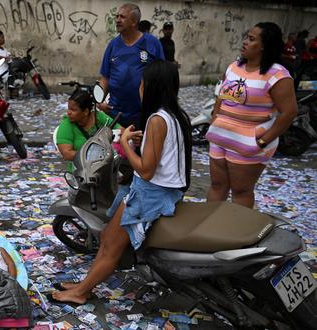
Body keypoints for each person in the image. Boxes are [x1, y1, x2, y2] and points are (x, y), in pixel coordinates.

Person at [52, 60, 192, 305]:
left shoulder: (157, 120)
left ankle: (81, 293)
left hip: (150, 192)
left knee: (110, 246)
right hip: (156, 189)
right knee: (106, 237)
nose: (138, 87)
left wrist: (126, 143)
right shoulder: (175, 115)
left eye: (141, 83)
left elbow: (147, 171)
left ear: (151, 86)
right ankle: (85, 284)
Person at [206, 22, 297, 208]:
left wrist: (262, 142)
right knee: (217, 185)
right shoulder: (233, 67)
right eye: (246, 37)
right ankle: (209, 228)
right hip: (220, 137)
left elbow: (289, 113)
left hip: (250, 142)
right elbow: (221, 96)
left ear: (264, 45)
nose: (245, 42)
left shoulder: (277, 75)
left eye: (252, 39)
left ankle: (238, 234)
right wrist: (215, 118)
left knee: (241, 191)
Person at [98, 3, 164, 128]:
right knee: (115, 147)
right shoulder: (113, 45)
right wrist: (99, 100)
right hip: (115, 114)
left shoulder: (152, 43)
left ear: (134, 22)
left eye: (122, 17)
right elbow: (105, 78)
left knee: (141, 147)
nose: (117, 20)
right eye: (116, 16)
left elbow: (163, 76)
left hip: (143, 114)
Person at [56, 89, 119, 172]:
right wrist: (94, 156)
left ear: (85, 111)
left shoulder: (99, 117)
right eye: (68, 109)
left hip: (103, 171)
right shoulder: (66, 124)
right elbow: (66, 154)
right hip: (79, 173)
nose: (68, 113)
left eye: (73, 110)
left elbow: (120, 130)